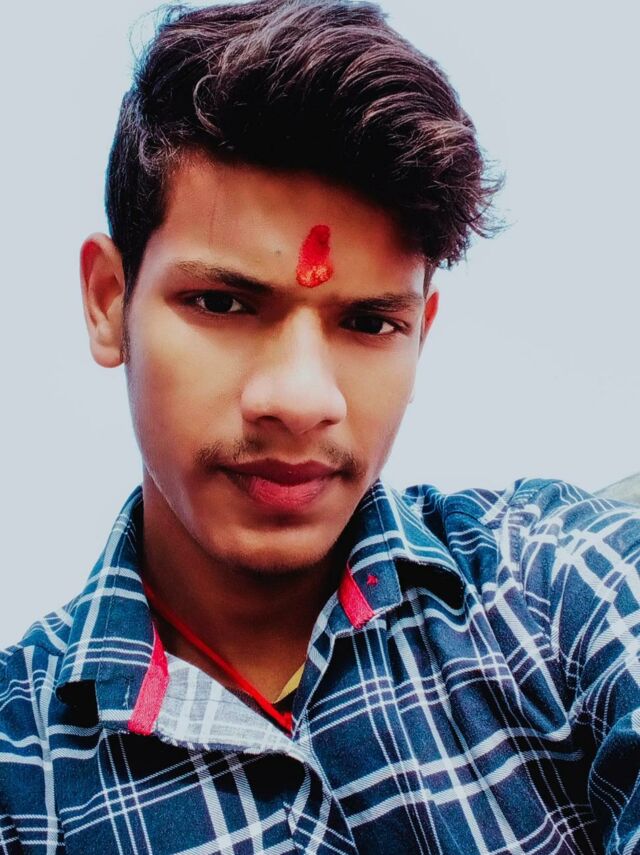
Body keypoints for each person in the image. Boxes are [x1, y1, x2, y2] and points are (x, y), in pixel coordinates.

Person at [1, 0, 638, 852]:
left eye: (371, 323)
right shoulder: (22, 777)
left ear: (421, 333)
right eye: (222, 303)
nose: (302, 400)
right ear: (109, 302)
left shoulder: (553, 585)